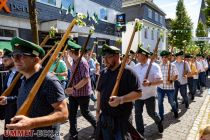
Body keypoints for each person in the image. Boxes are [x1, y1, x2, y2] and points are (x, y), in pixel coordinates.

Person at [6, 37, 68, 140]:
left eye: (20, 56)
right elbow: (27, 100)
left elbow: (63, 113)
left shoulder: (48, 80)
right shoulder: (24, 78)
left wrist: (32, 123)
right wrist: (7, 100)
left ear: (36, 59)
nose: (15, 60)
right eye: (14, 56)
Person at [96, 44, 142, 140]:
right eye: (103, 57)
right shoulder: (103, 73)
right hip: (105, 118)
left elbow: (138, 93)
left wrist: (121, 99)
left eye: (108, 57)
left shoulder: (129, 72)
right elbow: (100, 92)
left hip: (121, 120)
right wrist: (97, 110)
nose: (105, 61)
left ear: (117, 56)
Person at [65, 40, 96, 140]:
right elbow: (73, 70)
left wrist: (73, 88)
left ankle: (97, 126)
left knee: (85, 112)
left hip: (83, 93)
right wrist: (66, 60)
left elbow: (86, 78)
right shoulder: (74, 61)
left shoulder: (82, 62)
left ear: (72, 51)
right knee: (72, 114)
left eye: (69, 51)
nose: (68, 53)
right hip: (74, 94)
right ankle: (73, 133)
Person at [133, 46, 163, 136]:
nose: (136, 56)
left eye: (138, 55)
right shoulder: (136, 66)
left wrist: (150, 83)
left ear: (143, 55)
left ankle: (159, 121)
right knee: (137, 114)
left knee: (151, 113)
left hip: (150, 95)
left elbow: (161, 81)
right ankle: (140, 133)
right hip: (138, 95)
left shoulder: (154, 66)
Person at [0, 48, 21, 140]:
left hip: (17, 109)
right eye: (2, 60)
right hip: (8, 109)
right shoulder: (9, 73)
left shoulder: (21, 74)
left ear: (13, 59)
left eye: (6, 60)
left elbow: (23, 95)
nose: (3, 63)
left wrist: (8, 99)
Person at [157, 50, 178, 121]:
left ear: (168, 57)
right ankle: (161, 116)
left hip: (170, 88)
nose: (164, 58)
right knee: (159, 102)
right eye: (162, 57)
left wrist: (171, 80)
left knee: (171, 102)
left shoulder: (172, 65)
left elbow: (176, 75)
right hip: (160, 88)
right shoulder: (158, 66)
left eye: (165, 57)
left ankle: (175, 110)